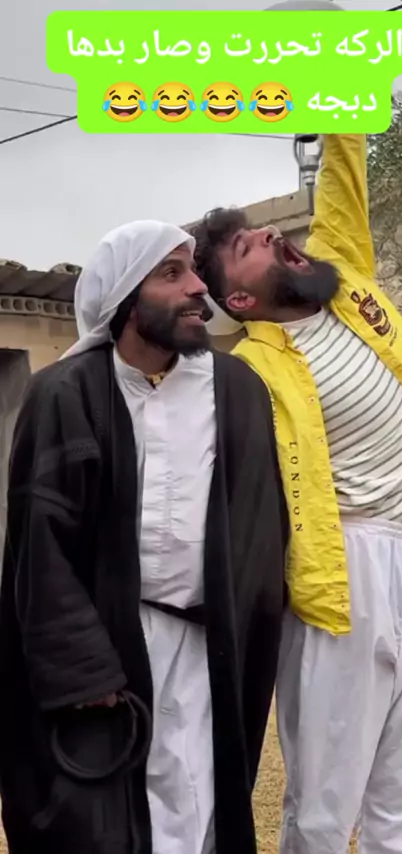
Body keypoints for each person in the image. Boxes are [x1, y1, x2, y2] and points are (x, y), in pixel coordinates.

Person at [191, 134, 402, 854]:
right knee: (325, 797)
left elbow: (345, 166)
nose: (268, 235)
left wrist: (334, 85)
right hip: (344, 568)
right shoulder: (251, 369)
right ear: (240, 299)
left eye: (260, 230)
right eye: (246, 246)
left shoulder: (347, 284)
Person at [0, 220, 288, 854]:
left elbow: (262, 527)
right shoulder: (65, 393)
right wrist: (84, 670)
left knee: (200, 806)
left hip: (208, 651)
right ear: (126, 299)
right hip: (109, 653)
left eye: (194, 271)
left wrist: (253, 627)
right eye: (171, 274)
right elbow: (40, 546)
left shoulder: (236, 391)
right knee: (100, 820)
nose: (197, 289)